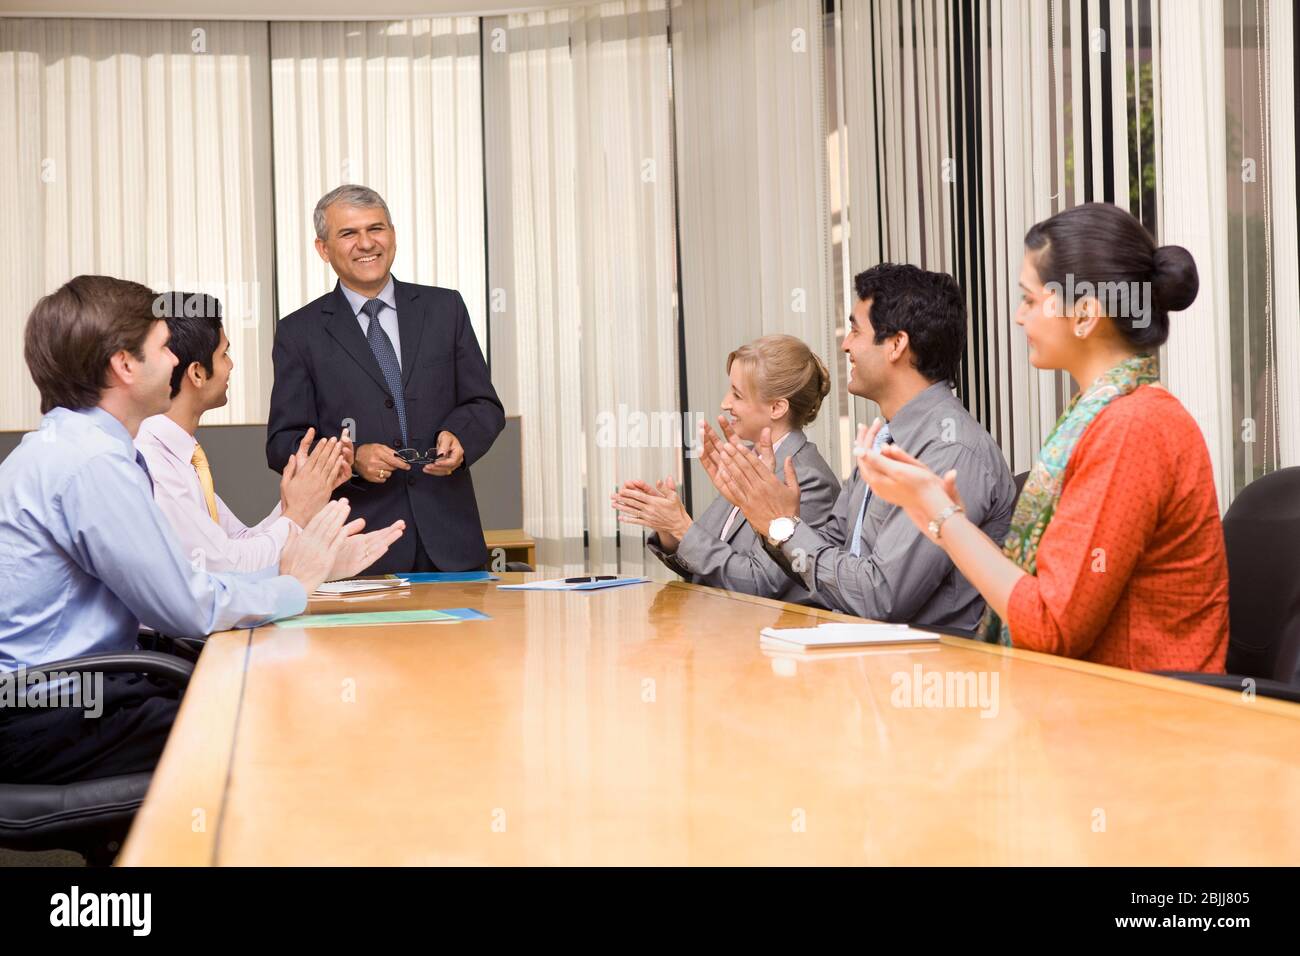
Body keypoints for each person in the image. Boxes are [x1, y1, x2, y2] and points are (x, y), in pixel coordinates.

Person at [0, 276, 404, 784]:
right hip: (48, 715)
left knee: (246, 698)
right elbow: (190, 607)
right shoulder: (92, 465)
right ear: (125, 365)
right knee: (265, 720)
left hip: (69, 694)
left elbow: (198, 578)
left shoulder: (73, 449)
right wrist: (296, 586)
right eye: (163, 348)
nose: (174, 363)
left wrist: (299, 565)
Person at [854, 202, 1228, 672]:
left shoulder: (1132, 428)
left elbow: (1052, 627)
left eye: (1030, 300)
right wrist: (938, 513)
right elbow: (1049, 597)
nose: (1018, 317)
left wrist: (940, 514)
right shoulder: (1106, 416)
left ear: (1086, 314)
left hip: (1136, 724)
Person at [699, 264, 1017, 631]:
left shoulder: (951, 451)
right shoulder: (886, 439)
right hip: (863, 655)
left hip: (919, 672)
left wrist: (782, 526)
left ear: (896, 344)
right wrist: (771, 519)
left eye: (855, 329)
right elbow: (831, 546)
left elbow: (878, 596)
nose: (845, 344)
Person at [266, 184, 505, 574]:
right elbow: (282, 443)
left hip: (452, 544)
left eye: (376, 228)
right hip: (358, 547)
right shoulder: (299, 332)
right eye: (348, 233)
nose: (366, 243)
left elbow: (484, 405)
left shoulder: (445, 309)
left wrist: (461, 436)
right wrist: (353, 456)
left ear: (392, 235)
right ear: (323, 249)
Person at [136, 292, 352, 573]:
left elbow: (237, 542)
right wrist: (298, 514)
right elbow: (227, 564)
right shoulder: (151, 460)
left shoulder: (182, 454)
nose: (231, 364)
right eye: (224, 353)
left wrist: (308, 488)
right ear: (197, 373)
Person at [612, 334, 839, 600]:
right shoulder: (749, 461)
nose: (725, 403)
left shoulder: (807, 479)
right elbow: (705, 563)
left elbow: (759, 584)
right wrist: (669, 527)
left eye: (737, 394)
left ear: (777, 407)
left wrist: (682, 527)